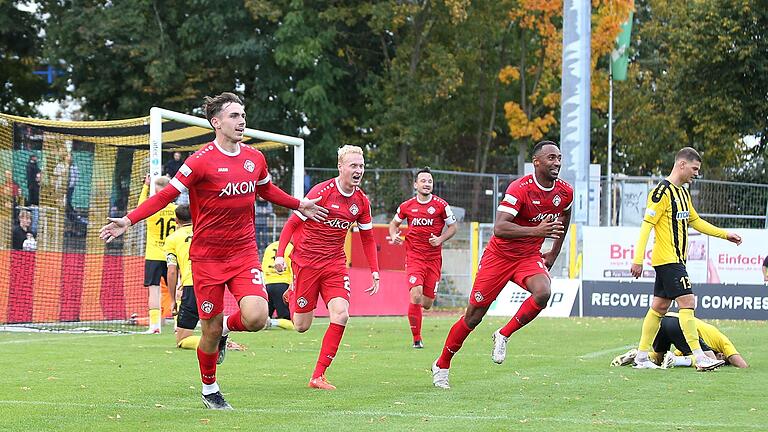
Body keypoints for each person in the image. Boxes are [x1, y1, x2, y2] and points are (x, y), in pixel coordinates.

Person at [99, 92, 327, 410]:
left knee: (258, 316)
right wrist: (128, 219)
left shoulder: (254, 158)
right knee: (208, 329)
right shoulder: (200, 161)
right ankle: (210, 389)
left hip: (244, 251)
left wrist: (299, 202)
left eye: (243, 114)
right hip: (206, 258)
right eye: (234, 115)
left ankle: (224, 332)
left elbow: (266, 190)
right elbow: (165, 195)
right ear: (216, 122)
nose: (241, 120)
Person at [431, 141, 573, 389]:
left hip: (528, 257)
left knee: (543, 292)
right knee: (473, 317)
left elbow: (565, 217)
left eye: (559, 158)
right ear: (536, 162)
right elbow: (500, 227)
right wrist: (537, 230)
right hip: (498, 258)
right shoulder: (520, 188)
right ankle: (442, 364)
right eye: (551, 158)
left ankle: (503, 334)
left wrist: (553, 252)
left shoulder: (565, 192)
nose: (557, 163)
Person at [275, 145, 380, 390]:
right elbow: (291, 225)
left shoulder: (361, 202)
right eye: (353, 165)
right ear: (340, 167)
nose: (358, 171)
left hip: (334, 264)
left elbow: (367, 238)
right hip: (306, 262)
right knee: (301, 326)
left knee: (341, 314)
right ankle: (293, 293)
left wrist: (375, 271)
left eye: (361, 166)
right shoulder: (321, 192)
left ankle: (318, 376)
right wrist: (280, 255)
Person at [630, 147, 742, 371]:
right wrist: (638, 259)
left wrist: (725, 234)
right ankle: (700, 357)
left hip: (674, 261)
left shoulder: (683, 193)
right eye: (694, 169)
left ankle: (642, 357)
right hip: (668, 259)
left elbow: (696, 221)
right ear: (682, 164)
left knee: (659, 307)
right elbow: (646, 227)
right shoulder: (661, 192)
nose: (696, 173)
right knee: (688, 302)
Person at [388, 167, 457, 348]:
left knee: (426, 303)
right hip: (414, 257)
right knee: (416, 295)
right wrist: (394, 234)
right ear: (415, 184)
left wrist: (440, 239)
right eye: (423, 181)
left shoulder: (441, 205)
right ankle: (416, 339)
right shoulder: (406, 206)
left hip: (433, 259)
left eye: (430, 181)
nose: (427, 184)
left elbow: (453, 227)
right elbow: (393, 224)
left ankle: (422, 313)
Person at [611, 312, 749, 369]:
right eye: (724, 357)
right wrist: (726, 362)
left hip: (665, 319)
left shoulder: (705, 338)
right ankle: (675, 362)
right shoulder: (722, 340)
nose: (722, 357)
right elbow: (742, 364)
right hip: (680, 323)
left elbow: (676, 352)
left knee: (659, 357)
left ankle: (638, 356)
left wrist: (673, 357)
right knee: (710, 359)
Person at [138, 175, 177, 334]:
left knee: (154, 290)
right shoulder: (176, 210)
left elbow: (140, 208)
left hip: (154, 254)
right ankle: (178, 324)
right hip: (172, 254)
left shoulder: (151, 207)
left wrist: (145, 187)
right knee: (176, 292)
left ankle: (155, 326)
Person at [163, 205, 199, 349]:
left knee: (182, 339)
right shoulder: (205, 230)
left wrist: (172, 300)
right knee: (213, 323)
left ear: (176, 220)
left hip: (191, 285)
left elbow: (172, 271)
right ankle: (221, 339)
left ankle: (217, 344)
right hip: (212, 283)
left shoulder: (172, 239)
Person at [261, 240, 295, 328]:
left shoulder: (270, 247)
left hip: (267, 285)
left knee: (263, 319)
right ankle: (272, 323)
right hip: (282, 285)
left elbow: (263, 266)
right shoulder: (290, 248)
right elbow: (293, 267)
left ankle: (267, 321)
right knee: (291, 322)